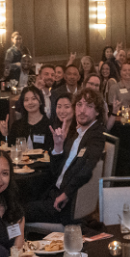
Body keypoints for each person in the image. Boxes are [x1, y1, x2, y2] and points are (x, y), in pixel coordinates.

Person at [26, 88, 105, 225]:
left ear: (97, 112)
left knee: (16, 211)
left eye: (89, 106)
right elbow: (56, 171)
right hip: (53, 193)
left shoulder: (96, 136)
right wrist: (58, 147)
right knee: (17, 198)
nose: (82, 110)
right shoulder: (77, 134)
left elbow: (87, 169)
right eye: (79, 105)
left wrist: (66, 193)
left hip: (65, 204)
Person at [0, 85, 52, 152]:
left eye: (34, 99)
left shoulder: (49, 125)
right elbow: (10, 148)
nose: (30, 102)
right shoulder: (17, 125)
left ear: (40, 101)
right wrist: (5, 134)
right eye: (26, 100)